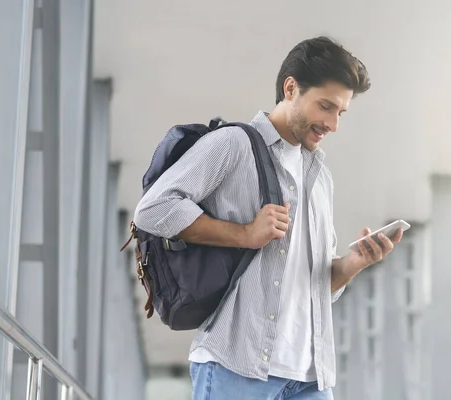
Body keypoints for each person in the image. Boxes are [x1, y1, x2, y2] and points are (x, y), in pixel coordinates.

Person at [133, 36, 403, 400]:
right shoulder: (234, 144)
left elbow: (315, 285)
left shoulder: (321, 177)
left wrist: (354, 263)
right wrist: (244, 233)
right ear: (290, 88)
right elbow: (153, 209)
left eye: (340, 112)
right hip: (237, 367)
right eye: (325, 106)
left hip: (310, 377)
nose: (333, 124)